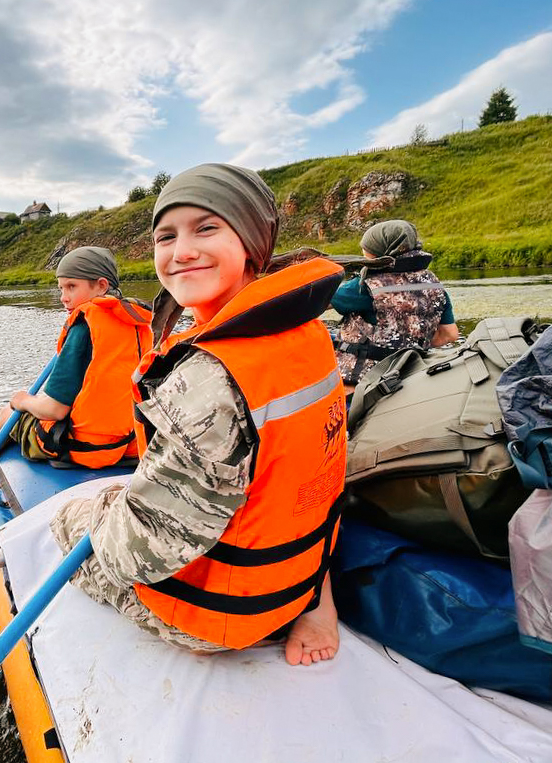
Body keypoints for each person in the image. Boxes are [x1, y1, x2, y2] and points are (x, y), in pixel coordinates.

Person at [48, 163, 348, 664]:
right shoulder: (307, 333)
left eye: (206, 228)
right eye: (166, 236)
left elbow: (135, 554)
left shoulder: (208, 381)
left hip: (224, 617)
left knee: (68, 519)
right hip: (301, 580)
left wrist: (107, 510)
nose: (181, 251)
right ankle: (321, 604)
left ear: (252, 241)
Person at [0, 246, 152, 469]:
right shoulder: (136, 324)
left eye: (71, 287)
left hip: (82, 448)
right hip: (126, 443)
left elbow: (55, 410)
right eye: (61, 289)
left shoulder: (83, 328)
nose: (64, 298)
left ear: (102, 285)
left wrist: (23, 400)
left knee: (9, 411)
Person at [330, 219, 459, 392]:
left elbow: (314, 303)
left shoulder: (364, 287)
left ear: (379, 251)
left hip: (363, 382)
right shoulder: (433, 284)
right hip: (411, 376)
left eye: (367, 248)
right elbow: (449, 334)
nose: (363, 251)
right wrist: (407, 349)